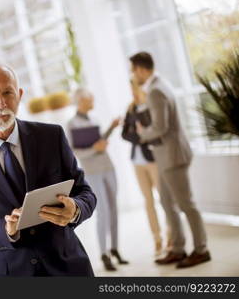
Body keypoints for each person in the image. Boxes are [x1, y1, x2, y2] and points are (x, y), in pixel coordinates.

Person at [0, 61, 97, 276]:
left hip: (68, 266)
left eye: (7, 92)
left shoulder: (51, 137)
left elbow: (86, 193)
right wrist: (4, 231)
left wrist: (75, 209)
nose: (1, 103)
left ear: (19, 94)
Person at [130, 52, 210, 268]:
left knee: (186, 204)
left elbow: (160, 127)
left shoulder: (156, 91)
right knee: (166, 203)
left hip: (173, 156)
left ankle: (201, 249)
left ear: (140, 69)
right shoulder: (159, 85)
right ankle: (177, 249)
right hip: (165, 157)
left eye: (133, 69)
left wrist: (142, 133)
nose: (132, 74)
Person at [67, 88, 128, 271]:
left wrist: (111, 128)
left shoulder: (94, 119)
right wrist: (95, 148)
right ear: (81, 101)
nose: (93, 102)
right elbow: (75, 151)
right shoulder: (71, 124)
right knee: (103, 211)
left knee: (114, 209)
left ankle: (115, 248)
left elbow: (100, 141)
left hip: (108, 166)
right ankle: (104, 253)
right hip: (92, 171)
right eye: (90, 99)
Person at [122, 79, 172, 257]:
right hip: (138, 161)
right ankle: (157, 239)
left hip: (153, 160)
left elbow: (157, 131)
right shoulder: (131, 109)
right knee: (148, 202)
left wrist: (141, 134)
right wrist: (140, 136)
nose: (133, 94)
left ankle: (170, 236)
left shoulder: (151, 107)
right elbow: (124, 134)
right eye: (131, 90)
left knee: (164, 199)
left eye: (135, 90)